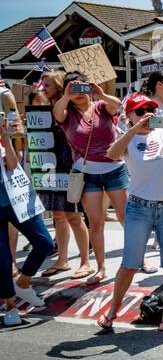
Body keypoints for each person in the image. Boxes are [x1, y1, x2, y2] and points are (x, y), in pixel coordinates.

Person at [94, 94, 163, 333]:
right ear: (129, 115)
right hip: (139, 208)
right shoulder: (127, 138)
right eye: (141, 110)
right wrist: (134, 128)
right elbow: (112, 154)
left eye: (150, 109)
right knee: (130, 264)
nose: (148, 114)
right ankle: (112, 311)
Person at [52, 72, 124, 286]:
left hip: (114, 169)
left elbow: (117, 105)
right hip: (86, 174)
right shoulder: (67, 113)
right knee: (96, 222)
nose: (78, 93)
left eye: (81, 88)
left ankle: (138, 259)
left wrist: (100, 92)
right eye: (72, 89)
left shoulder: (102, 105)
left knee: (126, 217)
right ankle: (101, 267)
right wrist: (66, 95)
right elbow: (57, 113)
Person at [28, 70, 92, 279]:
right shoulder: (45, 108)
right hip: (49, 165)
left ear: (58, 85)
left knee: (74, 216)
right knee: (58, 215)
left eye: (47, 85)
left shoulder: (72, 108)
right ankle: (62, 260)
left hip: (69, 165)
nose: (42, 89)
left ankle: (85, 261)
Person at [1, 122, 54, 326]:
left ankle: (23, 282)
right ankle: (10, 305)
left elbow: (13, 165)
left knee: (45, 243)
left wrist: (5, 135)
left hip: (16, 200)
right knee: (3, 260)